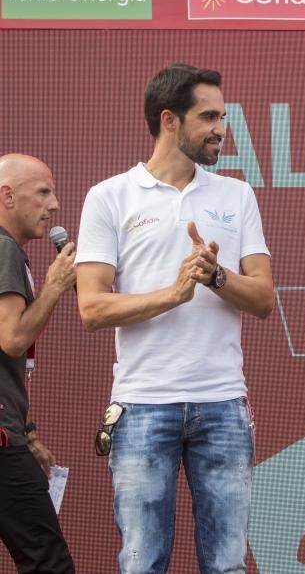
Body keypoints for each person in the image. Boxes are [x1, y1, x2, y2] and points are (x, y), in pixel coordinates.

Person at [75, 65, 274, 573]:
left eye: (222, 117)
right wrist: (174, 292)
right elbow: (92, 307)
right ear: (169, 120)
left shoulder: (237, 194)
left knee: (228, 565)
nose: (220, 129)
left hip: (223, 403)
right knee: (142, 564)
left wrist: (215, 278)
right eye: (208, 116)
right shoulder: (109, 196)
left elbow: (264, 298)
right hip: (142, 405)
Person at [0, 154, 76, 573]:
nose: (54, 205)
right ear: (8, 196)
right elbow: (11, 339)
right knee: (49, 562)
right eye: (43, 192)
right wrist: (54, 286)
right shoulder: (3, 248)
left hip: (8, 432)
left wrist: (26, 430)